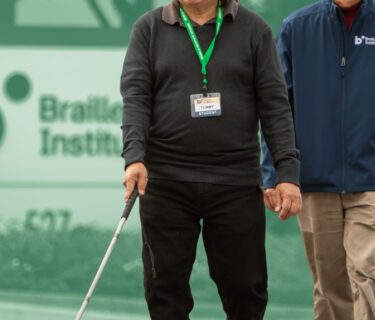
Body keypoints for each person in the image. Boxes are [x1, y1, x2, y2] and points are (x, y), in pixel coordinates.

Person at [120, 0, 302, 319]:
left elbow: (276, 107)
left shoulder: (254, 30)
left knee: (246, 289)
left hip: (236, 181)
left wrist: (286, 173)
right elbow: (135, 99)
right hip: (166, 181)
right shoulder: (148, 29)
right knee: (165, 291)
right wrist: (134, 157)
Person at [261, 0, 375, 319]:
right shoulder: (296, 28)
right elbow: (277, 110)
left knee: (366, 270)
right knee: (329, 284)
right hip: (314, 178)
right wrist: (275, 173)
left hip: (374, 178)